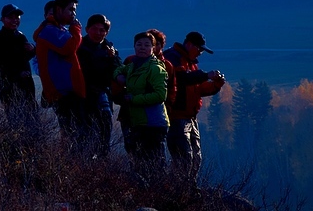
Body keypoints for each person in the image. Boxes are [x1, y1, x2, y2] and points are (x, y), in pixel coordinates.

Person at [164, 31, 225, 185]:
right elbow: (181, 79)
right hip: (177, 117)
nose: (201, 52)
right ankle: (178, 189)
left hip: (190, 117)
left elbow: (198, 89)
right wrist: (205, 75)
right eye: (199, 49)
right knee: (183, 156)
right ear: (189, 44)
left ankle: (189, 187)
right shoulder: (173, 57)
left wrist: (216, 85)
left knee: (195, 157)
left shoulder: (190, 62)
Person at [113, 32, 170, 182]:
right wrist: (118, 75)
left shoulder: (156, 68)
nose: (142, 48)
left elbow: (160, 95)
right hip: (137, 121)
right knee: (138, 161)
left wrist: (134, 99)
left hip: (153, 123)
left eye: (147, 45)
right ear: (134, 46)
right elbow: (119, 69)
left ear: (153, 48)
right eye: (139, 45)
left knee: (154, 162)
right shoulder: (133, 65)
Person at [34, 0, 86, 141]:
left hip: (69, 91)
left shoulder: (59, 30)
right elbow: (68, 48)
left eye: (74, 10)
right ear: (58, 9)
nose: (73, 14)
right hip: (63, 92)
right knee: (72, 134)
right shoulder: (50, 31)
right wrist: (76, 30)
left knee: (76, 133)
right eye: (70, 9)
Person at [77, 13, 121, 157]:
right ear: (87, 29)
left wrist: (112, 58)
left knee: (104, 131)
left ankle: (102, 163)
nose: (98, 33)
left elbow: (118, 70)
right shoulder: (78, 47)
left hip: (104, 96)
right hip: (83, 96)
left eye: (102, 30)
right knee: (84, 134)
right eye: (95, 29)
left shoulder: (109, 49)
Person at [0, 3, 36, 113]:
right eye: (10, 17)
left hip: (27, 86)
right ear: (2, 19)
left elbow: (24, 57)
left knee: (32, 119)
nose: (15, 20)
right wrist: (17, 74)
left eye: (17, 17)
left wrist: (33, 50)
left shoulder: (20, 36)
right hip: (8, 87)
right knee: (15, 119)